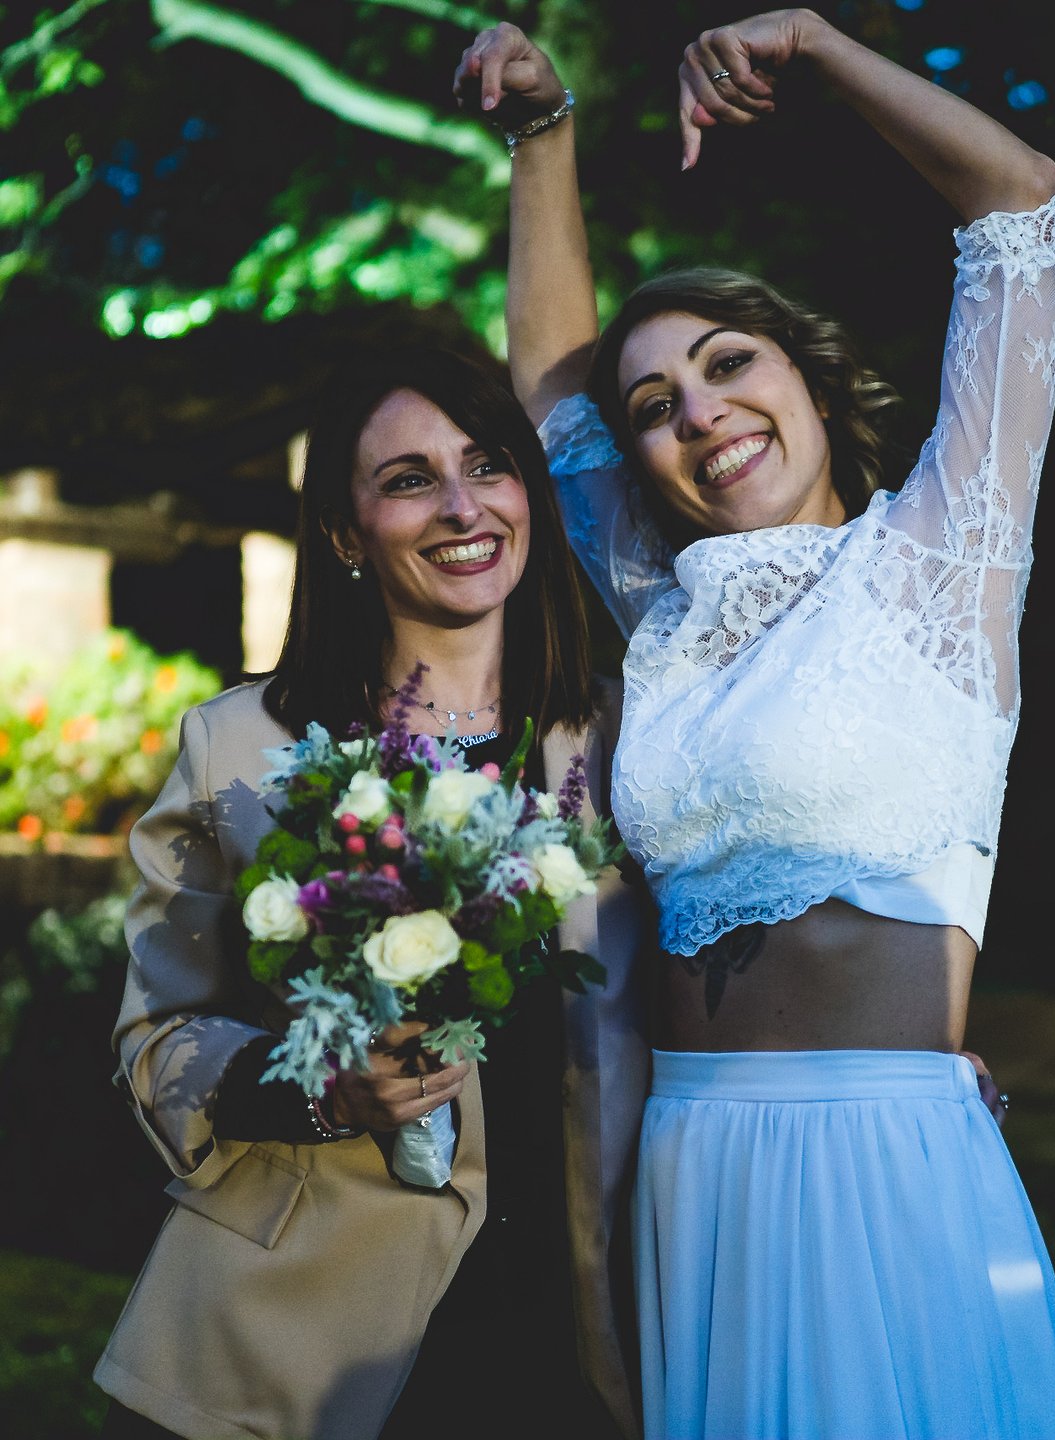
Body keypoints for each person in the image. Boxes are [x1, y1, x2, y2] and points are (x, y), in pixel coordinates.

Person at [454, 9, 1055, 1439]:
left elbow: (1018, 203)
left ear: (807, 373)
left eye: (730, 362)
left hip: (876, 1154)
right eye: (657, 405)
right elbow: (552, 386)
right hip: (689, 1159)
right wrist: (542, 134)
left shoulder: (942, 555)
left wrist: (812, 41)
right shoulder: (669, 613)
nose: (700, 412)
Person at [92, 346, 650, 1440]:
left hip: (573, 1330)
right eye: (408, 479)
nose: (462, 508)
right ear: (346, 534)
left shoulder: (630, 736)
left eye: (486, 465)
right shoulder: (236, 749)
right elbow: (157, 1038)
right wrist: (320, 1093)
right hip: (297, 1336)